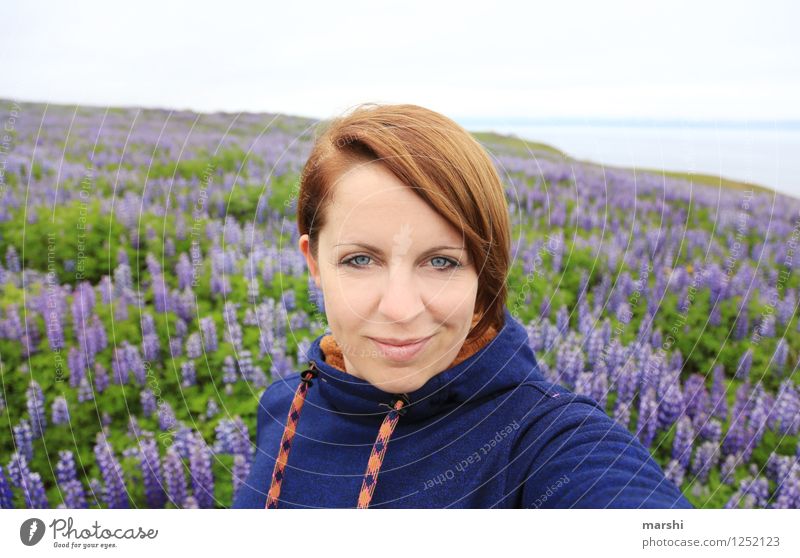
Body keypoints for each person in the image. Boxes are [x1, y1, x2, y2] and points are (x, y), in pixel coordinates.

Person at [232, 103, 693, 509]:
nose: (400, 308)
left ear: (482, 270)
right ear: (313, 261)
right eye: (360, 259)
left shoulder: (542, 440)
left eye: (440, 261)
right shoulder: (284, 404)